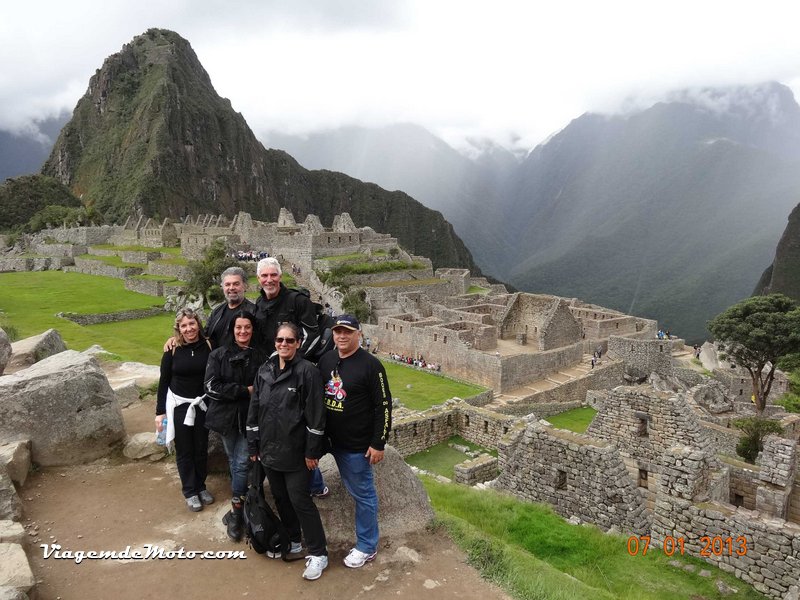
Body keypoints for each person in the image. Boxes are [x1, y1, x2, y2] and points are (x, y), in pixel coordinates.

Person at [247, 322, 329, 580]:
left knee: (300, 501)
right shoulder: (265, 370)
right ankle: (294, 541)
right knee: (281, 499)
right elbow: (255, 408)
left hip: (296, 453)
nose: (284, 344)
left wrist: (312, 452)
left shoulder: (307, 372)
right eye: (280, 340)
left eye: (289, 340)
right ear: (275, 342)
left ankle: (319, 553)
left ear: (298, 344)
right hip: (269, 451)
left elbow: (316, 416)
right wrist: (253, 444)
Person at [317, 314, 392, 568]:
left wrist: (378, 442)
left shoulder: (371, 366)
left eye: (347, 332)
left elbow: (383, 405)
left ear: (358, 334)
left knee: (364, 495)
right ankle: (318, 486)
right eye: (338, 331)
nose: (341, 336)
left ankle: (367, 545)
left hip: (355, 445)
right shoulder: (326, 359)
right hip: (327, 438)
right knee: (300, 464)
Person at [204, 311, 266, 541]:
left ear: (252, 329)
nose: (243, 332)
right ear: (232, 330)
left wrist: (246, 392)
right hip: (227, 419)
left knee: (240, 463)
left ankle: (236, 511)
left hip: (250, 418)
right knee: (234, 461)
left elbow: (264, 387)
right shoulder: (219, 356)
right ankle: (241, 502)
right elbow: (211, 386)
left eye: (247, 327)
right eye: (239, 328)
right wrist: (243, 391)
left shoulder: (260, 357)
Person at [155, 308, 213, 512]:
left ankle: (201, 486)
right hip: (179, 405)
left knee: (200, 448)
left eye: (192, 323)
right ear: (178, 329)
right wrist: (159, 412)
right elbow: (163, 382)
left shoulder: (208, 345)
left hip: (201, 405)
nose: (189, 329)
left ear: (198, 324)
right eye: (184, 325)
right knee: (185, 450)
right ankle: (190, 491)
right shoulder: (172, 350)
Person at [163, 266, 256, 351]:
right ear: (222, 287)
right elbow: (202, 335)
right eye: (227, 284)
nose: (231, 288)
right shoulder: (217, 311)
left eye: (236, 284)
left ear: (245, 286)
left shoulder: (254, 312)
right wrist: (176, 338)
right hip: (215, 365)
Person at [254, 257, 318, 354]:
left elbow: (312, 336)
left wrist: (291, 361)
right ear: (258, 279)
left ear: (280, 276)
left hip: (293, 363)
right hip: (266, 364)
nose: (269, 280)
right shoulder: (259, 303)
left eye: (273, 275)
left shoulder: (299, 301)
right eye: (264, 276)